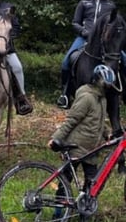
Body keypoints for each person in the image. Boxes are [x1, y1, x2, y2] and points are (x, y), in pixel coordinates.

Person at [57, 0, 126, 108]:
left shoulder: (111, 5)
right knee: (66, 61)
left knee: (125, 60)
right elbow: (75, 23)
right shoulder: (83, 3)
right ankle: (65, 94)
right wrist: (84, 32)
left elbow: (116, 23)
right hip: (84, 38)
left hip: (105, 40)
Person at [48, 64, 116, 192]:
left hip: (92, 148)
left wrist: (107, 133)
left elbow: (98, 119)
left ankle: (85, 207)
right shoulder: (87, 98)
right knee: (66, 179)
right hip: (76, 146)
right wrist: (56, 138)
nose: (108, 87)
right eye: (105, 84)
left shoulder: (102, 99)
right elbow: (72, 120)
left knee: (93, 181)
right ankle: (59, 209)